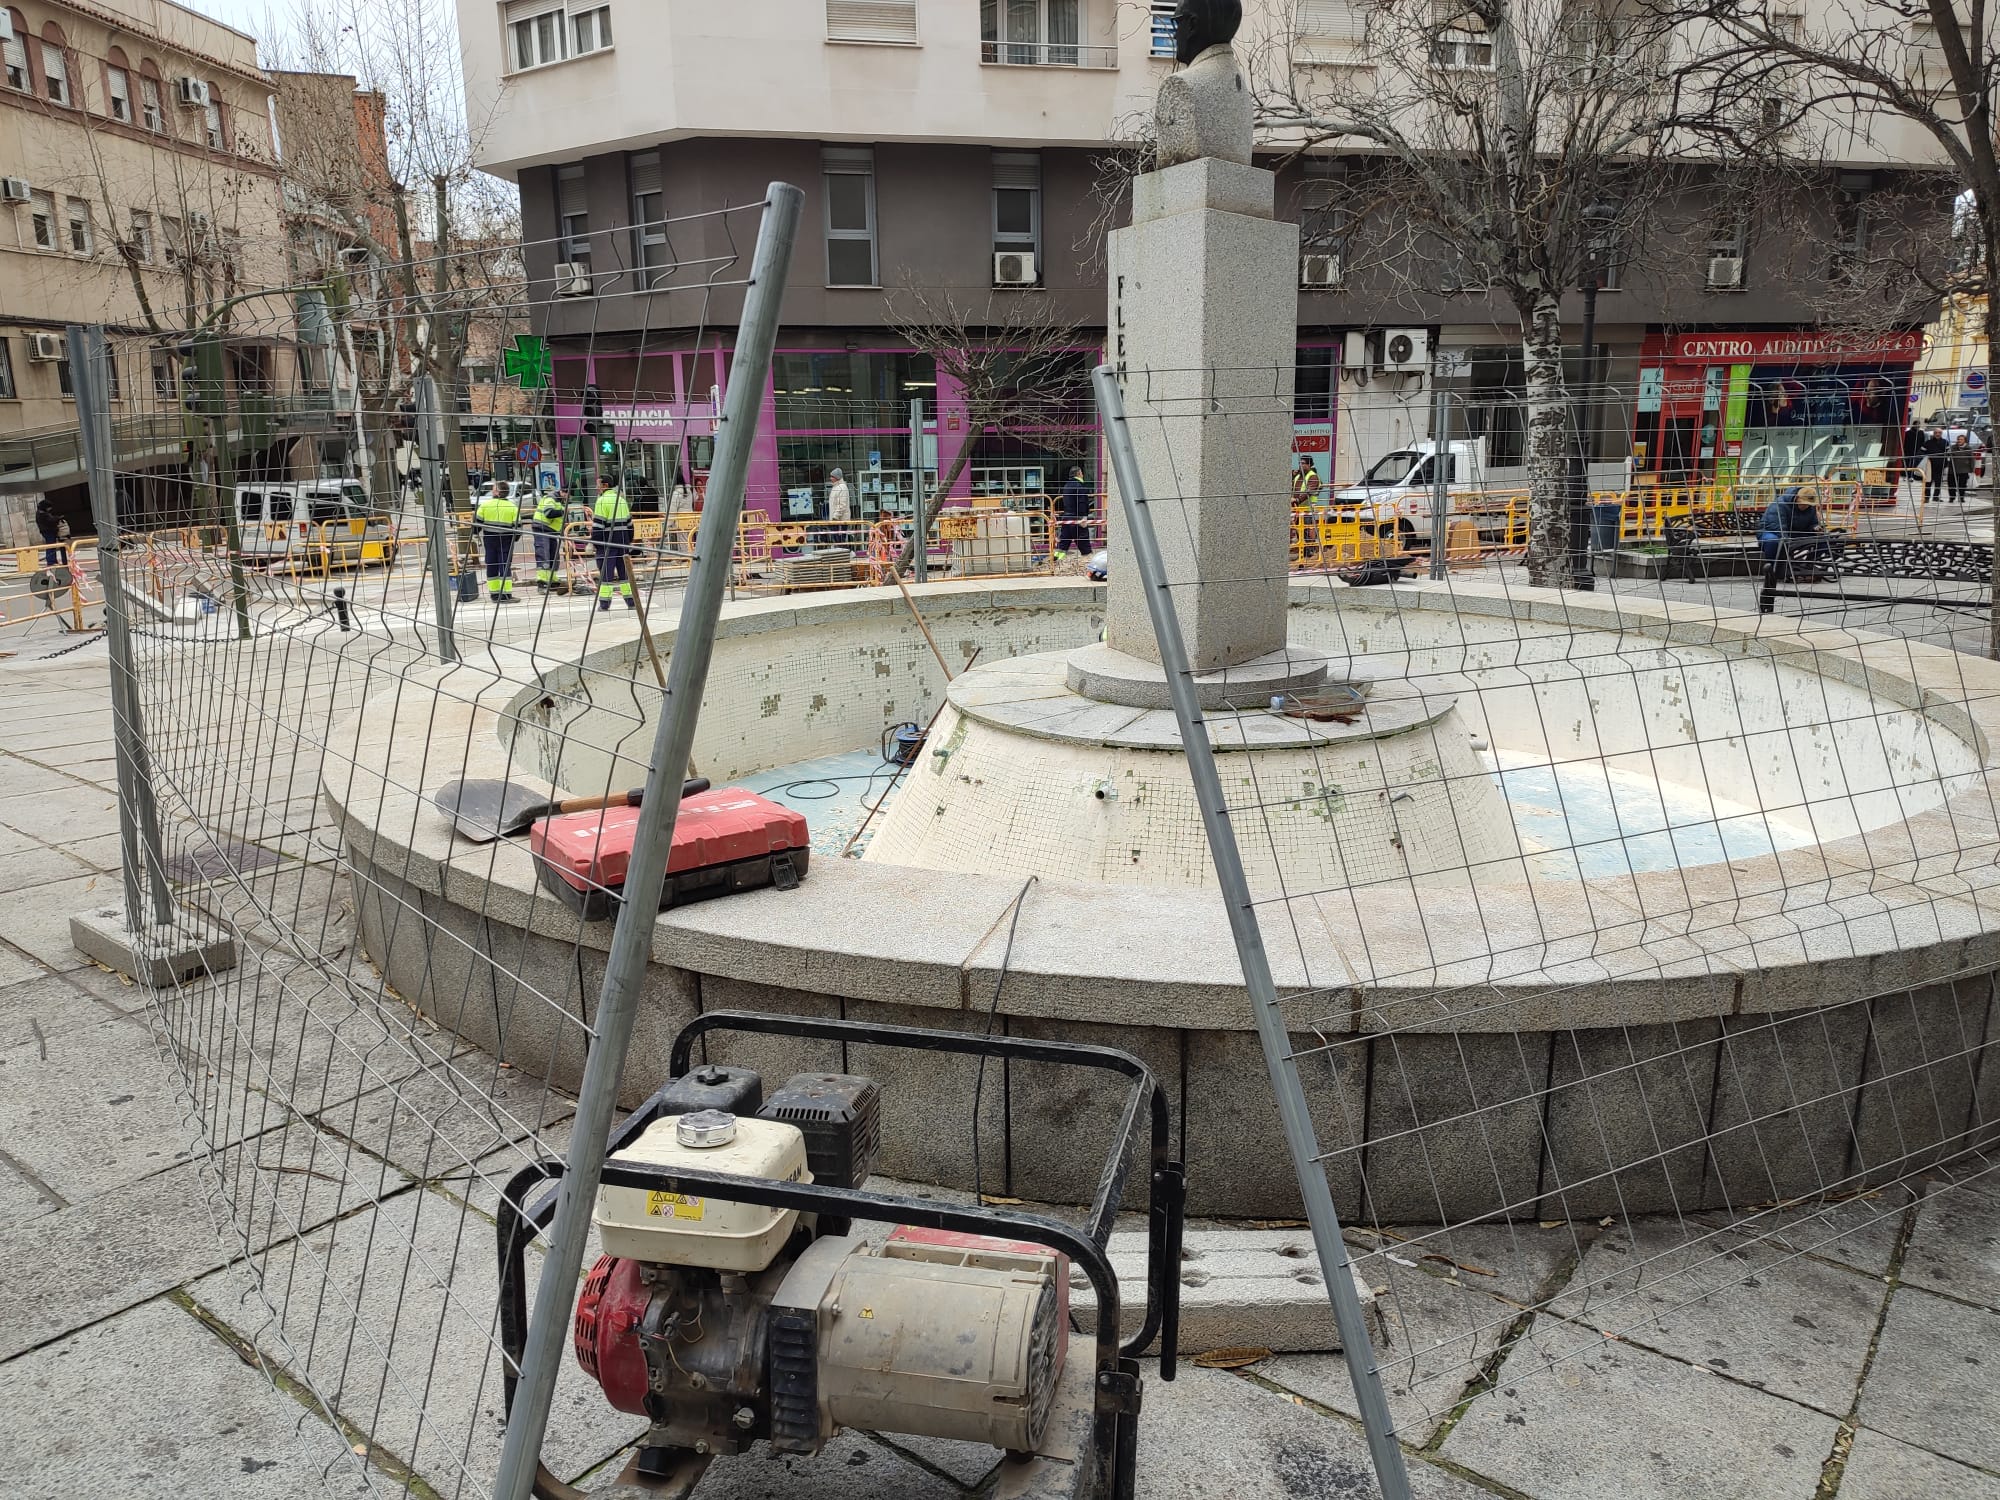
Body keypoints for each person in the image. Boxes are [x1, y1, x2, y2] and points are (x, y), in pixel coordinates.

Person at [1756, 484, 1832, 612]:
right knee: (1774, 541)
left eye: (1808, 504)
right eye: (1803, 503)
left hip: (1794, 532)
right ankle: (1775, 570)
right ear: (1796, 498)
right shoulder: (1779, 505)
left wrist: (1815, 528)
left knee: (1824, 540)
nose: (1806, 506)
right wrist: (1788, 539)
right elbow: (1778, 527)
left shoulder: (1810, 508)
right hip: (1772, 531)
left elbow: (1812, 523)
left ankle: (1809, 565)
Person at [591, 472, 635, 611]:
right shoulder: (621, 500)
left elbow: (598, 525)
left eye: (599, 484)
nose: (597, 487)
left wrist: (595, 544)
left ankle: (604, 604)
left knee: (606, 576)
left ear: (605, 485)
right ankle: (631, 602)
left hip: (607, 543)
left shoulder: (602, 501)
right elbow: (630, 524)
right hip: (622, 542)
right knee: (625, 574)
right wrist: (628, 541)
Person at [473, 482, 520, 604]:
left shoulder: (485, 505)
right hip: (506, 539)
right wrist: (514, 538)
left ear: (497, 492)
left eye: (493, 489)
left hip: (490, 539)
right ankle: (505, 594)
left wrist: (475, 534)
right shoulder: (512, 507)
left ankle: (494, 594)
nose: (492, 491)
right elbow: (518, 528)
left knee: (492, 565)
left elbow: (476, 524)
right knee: (504, 566)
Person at [530, 487, 566, 590]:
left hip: (551, 531)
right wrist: (562, 511)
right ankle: (542, 581)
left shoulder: (559, 500)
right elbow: (549, 513)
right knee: (544, 554)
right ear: (563, 492)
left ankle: (552, 579)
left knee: (553, 555)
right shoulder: (551, 499)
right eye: (568, 494)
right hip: (542, 529)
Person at [1057, 466, 1093, 555]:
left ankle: (1055, 561)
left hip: (1067, 519)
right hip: (1078, 519)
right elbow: (1082, 503)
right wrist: (1084, 517)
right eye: (1081, 473)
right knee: (1084, 546)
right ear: (1079, 474)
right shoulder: (1080, 486)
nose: (1083, 475)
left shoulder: (1066, 486)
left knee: (1063, 545)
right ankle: (1088, 565)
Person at [1923, 426, 1952, 504]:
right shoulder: (1928, 442)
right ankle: (1926, 497)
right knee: (1928, 482)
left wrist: (1946, 463)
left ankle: (1936, 497)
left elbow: (1949, 453)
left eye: (1939, 433)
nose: (1937, 434)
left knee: (1938, 482)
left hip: (1940, 466)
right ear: (1933, 433)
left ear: (1941, 434)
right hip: (1930, 466)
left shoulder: (1945, 442)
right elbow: (1922, 451)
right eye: (1936, 433)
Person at [33, 496, 64, 567]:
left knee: (52, 546)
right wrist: (57, 518)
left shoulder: (42, 512)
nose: (50, 509)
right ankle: (51, 561)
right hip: (48, 531)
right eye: (49, 507)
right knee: (51, 546)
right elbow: (50, 520)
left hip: (48, 531)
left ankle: (53, 560)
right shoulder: (42, 514)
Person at [826, 467, 851, 545]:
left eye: (832, 477)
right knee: (837, 540)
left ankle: (844, 553)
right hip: (836, 520)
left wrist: (835, 517)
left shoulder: (842, 488)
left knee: (840, 540)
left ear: (837, 477)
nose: (831, 478)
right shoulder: (836, 487)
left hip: (840, 520)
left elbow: (842, 505)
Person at [1950, 433, 1977, 503]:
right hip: (1953, 469)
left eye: (1961, 439)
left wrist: (1972, 468)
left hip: (1964, 469)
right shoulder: (1953, 447)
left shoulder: (1968, 448)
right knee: (1951, 484)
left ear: (1965, 441)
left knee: (1962, 485)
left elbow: (1972, 459)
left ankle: (1961, 497)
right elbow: (1948, 455)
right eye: (1958, 439)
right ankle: (1952, 497)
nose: (1959, 441)